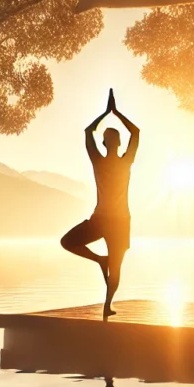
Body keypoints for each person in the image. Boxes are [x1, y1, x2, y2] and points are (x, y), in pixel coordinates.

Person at [61, 89, 139, 319]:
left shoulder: (99, 161)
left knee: (68, 242)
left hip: (106, 220)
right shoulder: (126, 161)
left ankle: (107, 302)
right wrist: (117, 113)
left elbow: (88, 131)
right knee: (115, 268)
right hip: (115, 220)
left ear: (105, 143)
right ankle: (107, 301)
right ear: (117, 143)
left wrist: (106, 113)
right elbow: (136, 132)